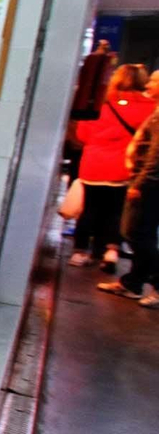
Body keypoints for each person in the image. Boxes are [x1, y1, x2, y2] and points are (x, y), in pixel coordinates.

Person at [70, 64, 153, 267]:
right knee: (116, 211)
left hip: (94, 165)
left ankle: (80, 252)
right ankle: (110, 251)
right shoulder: (150, 107)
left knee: (89, 208)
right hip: (124, 168)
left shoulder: (101, 103)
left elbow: (82, 134)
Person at [101, 105, 159, 306]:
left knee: (136, 232)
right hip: (148, 182)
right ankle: (133, 283)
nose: (149, 84)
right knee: (141, 234)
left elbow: (156, 153)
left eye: (154, 81)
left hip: (150, 184)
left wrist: (140, 183)